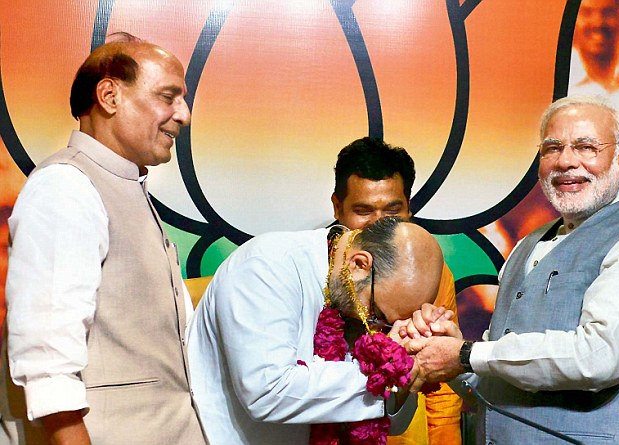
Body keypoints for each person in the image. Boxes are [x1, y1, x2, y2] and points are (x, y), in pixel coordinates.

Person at [403, 95, 619, 444]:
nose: (566, 161)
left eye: (586, 147)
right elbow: (494, 384)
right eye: (552, 148)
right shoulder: (526, 246)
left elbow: (598, 358)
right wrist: (449, 356)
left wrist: (467, 354)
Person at [4, 37, 204, 445]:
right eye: (169, 97)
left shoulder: (120, 183)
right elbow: (46, 364)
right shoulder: (66, 187)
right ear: (109, 95)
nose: (183, 115)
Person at [188, 217, 443, 444]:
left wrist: (403, 359)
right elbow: (267, 391)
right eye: (376, 312)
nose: (375, 326)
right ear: (359, 264)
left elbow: (390, 422)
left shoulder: (351, 289)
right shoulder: (267, 266)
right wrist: (386, 376)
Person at [330, 137, 462, 445]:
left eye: (392, 211)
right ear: (337, 207)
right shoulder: (311, 270)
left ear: (409, 207)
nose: (379, 227)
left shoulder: (434, 275)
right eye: (363, 210)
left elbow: (439, 381)